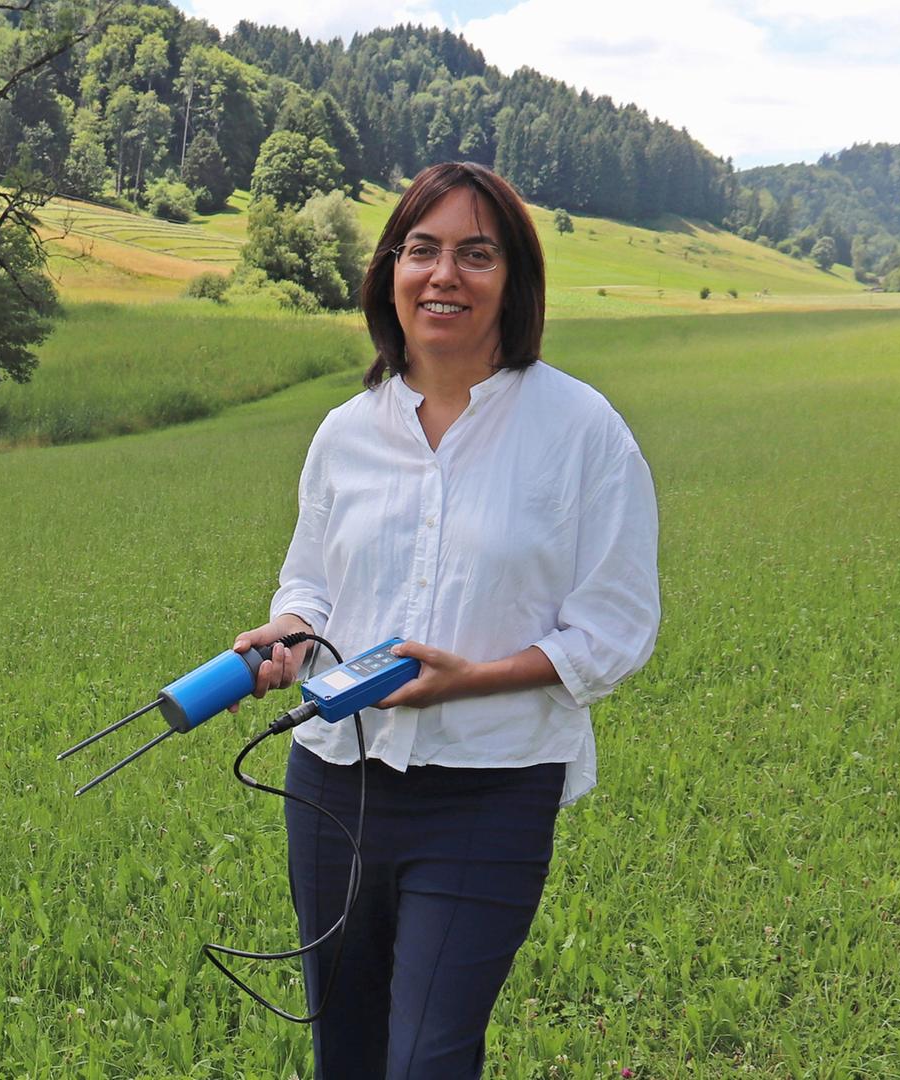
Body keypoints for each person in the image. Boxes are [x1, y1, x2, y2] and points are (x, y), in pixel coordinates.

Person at [233, 161, 660, 1080]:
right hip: (331, 781)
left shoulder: (582, 431)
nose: (445, 275)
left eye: (477, 254)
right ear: (390, 271)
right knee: (343, 1049)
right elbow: (310, 580)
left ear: (516, 280)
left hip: (490, 789)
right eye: (421, 250)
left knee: (429, 1054)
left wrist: (477, 679)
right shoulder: (347, 432)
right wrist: (292, 631)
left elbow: (616, 626)